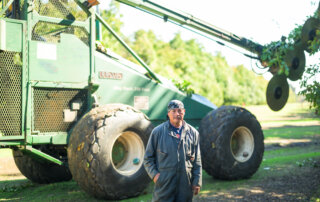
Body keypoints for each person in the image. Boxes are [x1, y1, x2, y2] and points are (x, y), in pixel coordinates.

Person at [144, 100, 202, 202]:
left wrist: (197, 181)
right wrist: (155, 176)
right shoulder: (157, 132)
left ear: (184, 112)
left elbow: (197, 160)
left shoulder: (193, 133)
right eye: (173, 111)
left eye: (179, 111)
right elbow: (148, 158)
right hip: (164, 184)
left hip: (185, 185)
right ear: (168, 113)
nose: (177, 114)